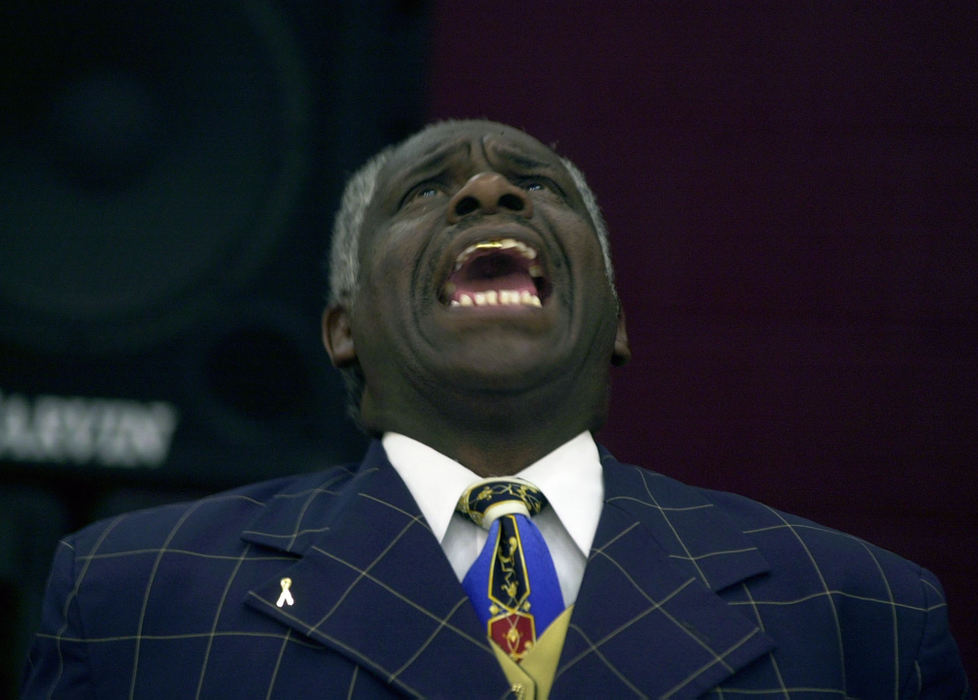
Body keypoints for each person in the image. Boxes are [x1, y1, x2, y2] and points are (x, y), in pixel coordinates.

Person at [22, 120, 968, 698]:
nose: (490, 189)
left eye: (538, 187)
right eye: (429, 192)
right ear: (342, 329)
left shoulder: (862, 616)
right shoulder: (133, 598)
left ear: (617, 322)